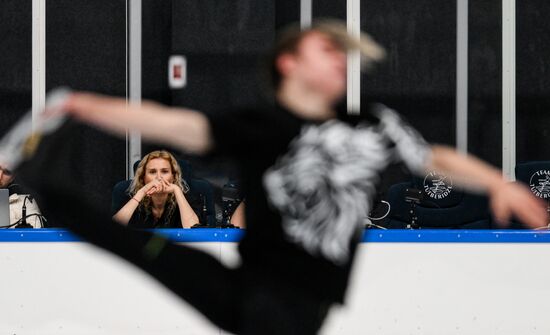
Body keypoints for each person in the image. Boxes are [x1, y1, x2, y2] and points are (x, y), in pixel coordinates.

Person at [13, 20, 547, 334]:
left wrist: (497, 183)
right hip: (250, 294)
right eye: (326, 51)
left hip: (293, 308)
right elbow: (175, 124)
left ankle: (49, 187)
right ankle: (49, 187)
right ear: (288, 63)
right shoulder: (258, 127)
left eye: (344, 55)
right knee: (138, 246)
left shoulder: (370, 125)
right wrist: (86, 105)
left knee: (142, 250)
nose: (341, 60)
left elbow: (435, 159)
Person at [113, 150, 199, 228]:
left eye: (164, 171)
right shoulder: (129, 197)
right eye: (152, 172)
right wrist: (142, 192)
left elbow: (193, 230)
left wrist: (177, 190)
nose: (159, 177)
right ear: (143, 177)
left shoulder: (186, 198)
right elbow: (114, 228)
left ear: (173, 177)